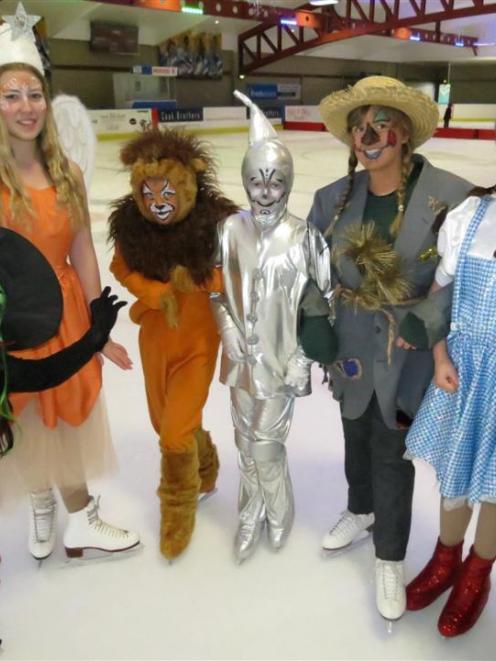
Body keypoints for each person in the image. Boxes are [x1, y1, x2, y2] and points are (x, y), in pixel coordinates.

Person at [306, 75, 473, 621]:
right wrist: (314, 317)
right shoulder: (332, 200)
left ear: (403, 134)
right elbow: (309, 273)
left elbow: (470, 275)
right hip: (350, 344)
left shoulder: (451, 197)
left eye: (378, 124)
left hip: (411, 350)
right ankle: (361, 510)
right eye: (358, 127)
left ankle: (389, 556)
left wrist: (433, 315)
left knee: (390, 447)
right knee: (354, 427)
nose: (366, 135)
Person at [0, 7, 139, 560]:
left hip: (66, 313)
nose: (25, 106)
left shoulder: (68, 173)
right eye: (10, 94)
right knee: (30, 415)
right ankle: (52, 507)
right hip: (16, 316)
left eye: (33, 94)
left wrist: (98, 322)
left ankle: (73, 514)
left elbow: (81, 247)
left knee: (66, 412)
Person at [211, 91, 335, 563]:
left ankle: (279, 511)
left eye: (275, 182)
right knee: (244, 443)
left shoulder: (305, 237)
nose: (265, 191)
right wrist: (229, 335)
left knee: (266, 448)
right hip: (240, 362)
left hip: (281, 363)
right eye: (256, 181)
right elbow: (219, 293)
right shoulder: (229, 230)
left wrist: (302, 360)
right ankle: (250, 512)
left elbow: (323, 305)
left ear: (288, 183)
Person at [109, 128, 237, 559]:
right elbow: (120, 268)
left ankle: (176, 511)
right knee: (162, 421)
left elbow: (241, 274)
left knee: (174, 433)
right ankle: (206, 468)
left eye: (167, 190)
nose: (158, 201)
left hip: (198, 343)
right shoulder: (131, 228)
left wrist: (199, 279)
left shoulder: (216, 224)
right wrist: (155, 293)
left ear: (188, 185)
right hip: (154, 338)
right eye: (148, 192)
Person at [404, 185, 496, 637]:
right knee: (455, 478)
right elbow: (437, 302)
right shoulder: (472, 217)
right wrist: (440, 358)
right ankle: (446, 558)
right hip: (465, 371)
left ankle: (477, 573)